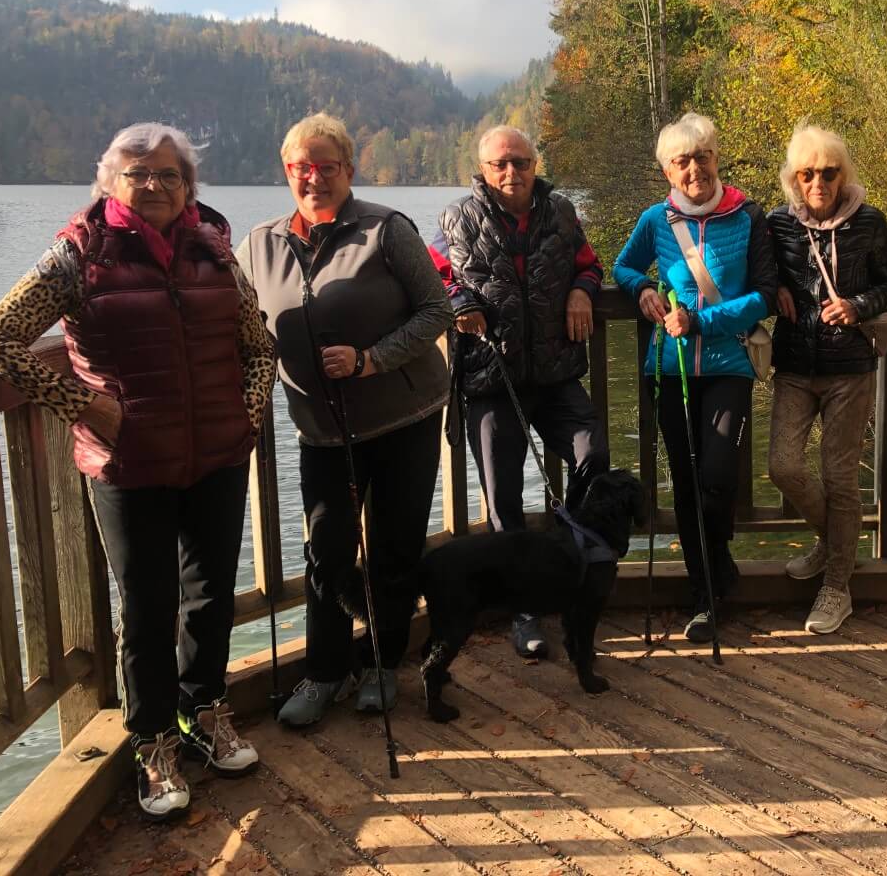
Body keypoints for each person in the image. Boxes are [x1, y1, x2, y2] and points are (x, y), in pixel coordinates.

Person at [0, 123, 275, 820]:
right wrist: (85, 405)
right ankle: (150, 740)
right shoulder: (77, 256)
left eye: (169, 175)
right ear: (109, 182)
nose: (154, 185)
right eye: (138, 173)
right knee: (146, 607)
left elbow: (258, 345)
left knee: (209, 597)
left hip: (217, 455)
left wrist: (250, 415)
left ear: (189, 187)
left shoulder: (214, 249)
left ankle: (202, 712)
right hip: (128, 462)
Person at [238, 112, 453, 725]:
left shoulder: (386, 229)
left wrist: (369, 360)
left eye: (327, 167)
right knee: (327, 549)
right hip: (323, 431)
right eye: (302, 168)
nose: (314, 178)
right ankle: (324, 671)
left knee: (393, 545)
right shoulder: (260, 243)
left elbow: (437, 310)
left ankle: (383, 663)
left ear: (348, 171)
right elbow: (232, 320)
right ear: (287, 173)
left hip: (405, 417)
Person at [431, 125, 608, 659]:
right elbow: (434, 275)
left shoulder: (563, 213)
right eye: (500, 164)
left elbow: (591, 264)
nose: (512, 173)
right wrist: (459, 301)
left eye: (522, 162)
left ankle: (568, 563)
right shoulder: (454, 219)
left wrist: (582, 291)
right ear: (482, 170)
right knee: (503, 495)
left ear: (536, 164)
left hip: (556, 375)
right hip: (492, 379)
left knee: (592, 455)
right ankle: (523, 607)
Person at [614, 112, 779, 643]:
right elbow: (621, 265)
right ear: (666, 170)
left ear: (716, 158)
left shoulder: (749, 216)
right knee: (685, 481)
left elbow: (764, 297)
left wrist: (701, 320)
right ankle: (704, 593)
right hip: (671, 367)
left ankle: (719, 564)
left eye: (702, 156)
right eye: (681, 161)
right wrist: (641, 286)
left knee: (717, 475)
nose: (694, 169)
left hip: (728, 367)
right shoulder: (655, 220)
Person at [767, 124, 887, 634]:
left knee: (840, 476)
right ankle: (835, 542)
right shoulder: (778, 224)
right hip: (796, 368)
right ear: (793, 179)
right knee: (783, 465)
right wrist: (774, 284)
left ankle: (837, 586)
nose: (818, 182)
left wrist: (858, 304)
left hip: (850, 369)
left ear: (843, 174)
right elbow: (759, 272)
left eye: (828, 172)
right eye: (807, 173)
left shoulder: (868, 222)